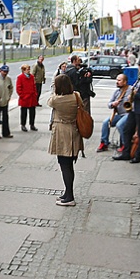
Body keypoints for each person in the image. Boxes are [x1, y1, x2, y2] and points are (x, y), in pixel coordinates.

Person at [48, 75, 83, 206]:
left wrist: (54, 90)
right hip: (73, 132)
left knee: (64, 165)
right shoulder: (76, 96)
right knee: (69, 165)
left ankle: (70, 197)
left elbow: (49, 101)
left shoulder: (57, 100)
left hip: (62, 133)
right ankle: (68, 193)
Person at [97, 74, 132, 153]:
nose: (117, 82)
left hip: (128, 114)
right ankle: (104, 143)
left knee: (119, 125)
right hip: (119, 114)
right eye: (117, 80)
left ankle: (124, 144)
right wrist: (113, 104)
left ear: (125, 82)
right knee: (106, 122)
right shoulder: (117, 92)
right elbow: (109, 104)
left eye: (119, 80)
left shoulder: (131, 90)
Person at [16, 64, 38, 132]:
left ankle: (32, 124)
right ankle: (23, 125)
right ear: (23, 70)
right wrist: (22, 95)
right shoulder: (20, 77)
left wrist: (35, 94)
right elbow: (18, 88)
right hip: (25, 98)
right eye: (27, 69)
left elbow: (34, 86)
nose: (29, 70)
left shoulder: (31, 77)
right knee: (24, 112)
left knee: (32, 112)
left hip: (32, 97)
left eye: (29, 69)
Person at [0, 65, 13, 139]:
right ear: (1, 71)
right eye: (4, 71)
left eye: (6, 72)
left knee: (5, 117)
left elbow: (11, 87)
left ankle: (6, 133)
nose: (5, 73)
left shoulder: (8, 79)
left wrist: (9, 96)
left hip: (5, 100)